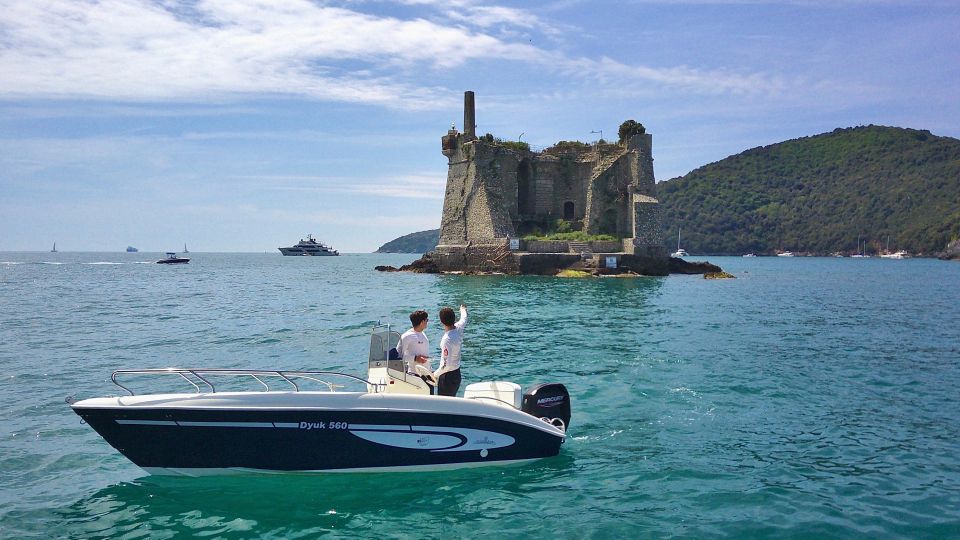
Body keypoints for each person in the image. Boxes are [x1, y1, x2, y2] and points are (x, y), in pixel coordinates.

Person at [434, 304, 467, 397]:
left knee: (443, 404)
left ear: (441, 322)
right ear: (454, 318)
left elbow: (446, 366)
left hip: (447, 377)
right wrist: (462, 309)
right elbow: (464, 318)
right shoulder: (459, 328)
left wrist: (434, 375)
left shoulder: (447, 340)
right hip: (456, 374)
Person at [397, 310, 433, 393]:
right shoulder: (407, 336)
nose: (427, 322)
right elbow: (397, 356)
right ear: (422, 322)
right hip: (415, 375)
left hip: (427, 373)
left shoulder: (423, 334)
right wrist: (415, 358)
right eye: (426, 320)